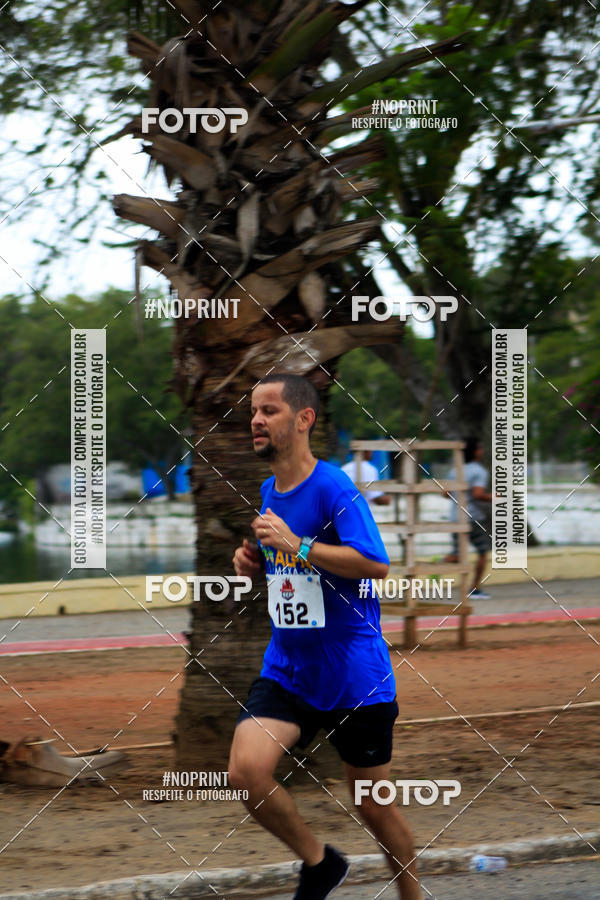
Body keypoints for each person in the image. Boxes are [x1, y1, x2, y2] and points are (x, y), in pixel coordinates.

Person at [230, 373, 421, 900]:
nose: (256, 420)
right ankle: (320, 864)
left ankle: (413, 896)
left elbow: (374, 564)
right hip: (289, 667)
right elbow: (288, 569)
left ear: (304, 418)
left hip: (353, 675)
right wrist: (252, 562)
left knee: (372, 804)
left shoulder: (335, 486)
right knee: (246, 771)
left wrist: (296, 542)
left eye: (269, 410)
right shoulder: (271, 489)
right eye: (254, 411)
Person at [444, 437, 493, 600]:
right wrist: (495, 497)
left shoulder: (454, 470)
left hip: (455, 518)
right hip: (472, 518)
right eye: (479, 448)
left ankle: (437, 565)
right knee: (482, 552)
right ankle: (475, 589)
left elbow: (445, 493)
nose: (482, 451)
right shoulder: (479, 471)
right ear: (474, 452)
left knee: (457, 555)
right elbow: (478, 494)